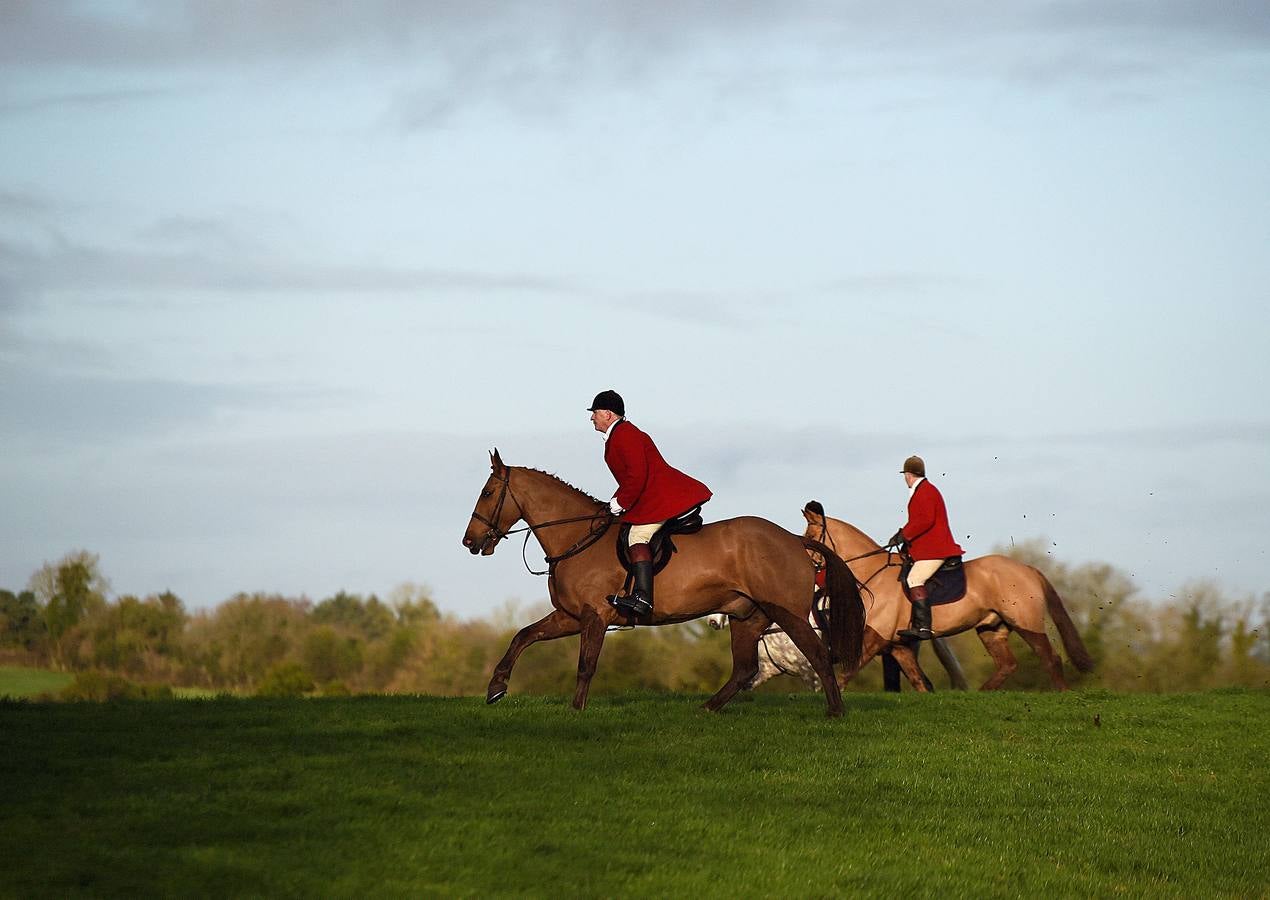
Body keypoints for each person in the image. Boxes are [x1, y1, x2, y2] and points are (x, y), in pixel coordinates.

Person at [588, 390, 712, 617]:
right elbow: (631, 479)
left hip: (660, 497)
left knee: (637, 536)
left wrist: (620, 502)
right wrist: (614, 502)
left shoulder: (625, 434)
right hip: (649, 495)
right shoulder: (619, 435)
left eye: (594, 413)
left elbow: (637, 475)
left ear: (607, 414)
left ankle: (642, 597)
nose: (591, 418)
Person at [887, 455, 963, 641]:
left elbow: (925, 520)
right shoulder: (922, 489)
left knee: (914, 579)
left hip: (936, 549)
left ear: (908, 474)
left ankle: (923, 627)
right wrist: (905, 542)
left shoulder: (926, 491)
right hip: (928, 547)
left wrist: (904, 534)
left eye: (905, 474)